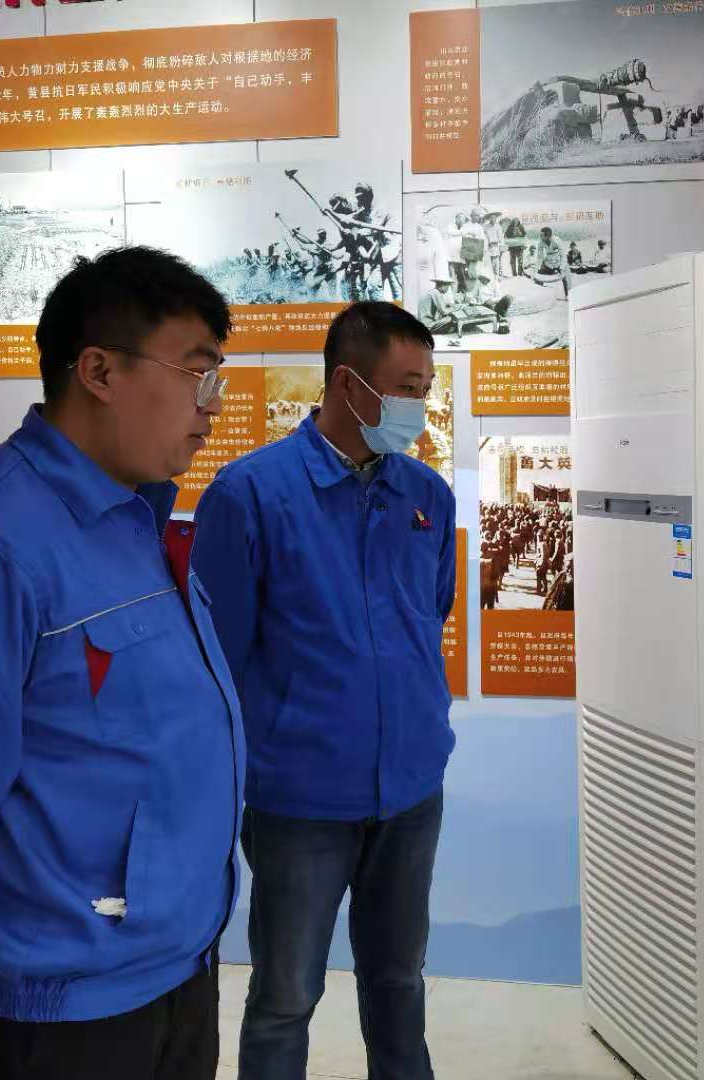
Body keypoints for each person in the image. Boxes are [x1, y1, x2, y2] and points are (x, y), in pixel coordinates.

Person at [0, 247, 243, 1080]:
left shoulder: (133, 520)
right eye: (197, 374)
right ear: (98, 370)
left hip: (170, 969)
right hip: (58, 1004)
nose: (213, 406)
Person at [193, 302, 456, 1080]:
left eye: (426, 388)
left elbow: (431, 613)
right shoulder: (250, 494)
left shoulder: (426, 496)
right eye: (407, 388)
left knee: (400, 984)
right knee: (285, 997)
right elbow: (217, 657)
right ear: (348, 384)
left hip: (411, 792)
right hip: (299, 801)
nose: (419, 406)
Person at [461, 270, 512, 334]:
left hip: (493, 303)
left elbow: (499, 297)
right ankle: (501, 319)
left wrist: (492, 300)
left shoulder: (494, 283)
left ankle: (501, 320)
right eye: (480, 279)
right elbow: (473, 294)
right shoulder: (479, 283)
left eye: (483, 279)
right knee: (469, 306)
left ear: (487, 279)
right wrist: (466, 295)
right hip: (482, 305)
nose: (482, 281)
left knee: (508, 297)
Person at [417, 276, 462, 346]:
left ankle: (448, 329)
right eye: (447, 286)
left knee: (448, 320)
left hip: (423, 323)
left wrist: (449, 304)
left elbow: (442, 304)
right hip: (427, 325)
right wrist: (457, 308)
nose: (448, 289)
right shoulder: (436, 293)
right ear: (442, 286)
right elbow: (444, 311)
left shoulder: (432, 292)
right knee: (450, 318)